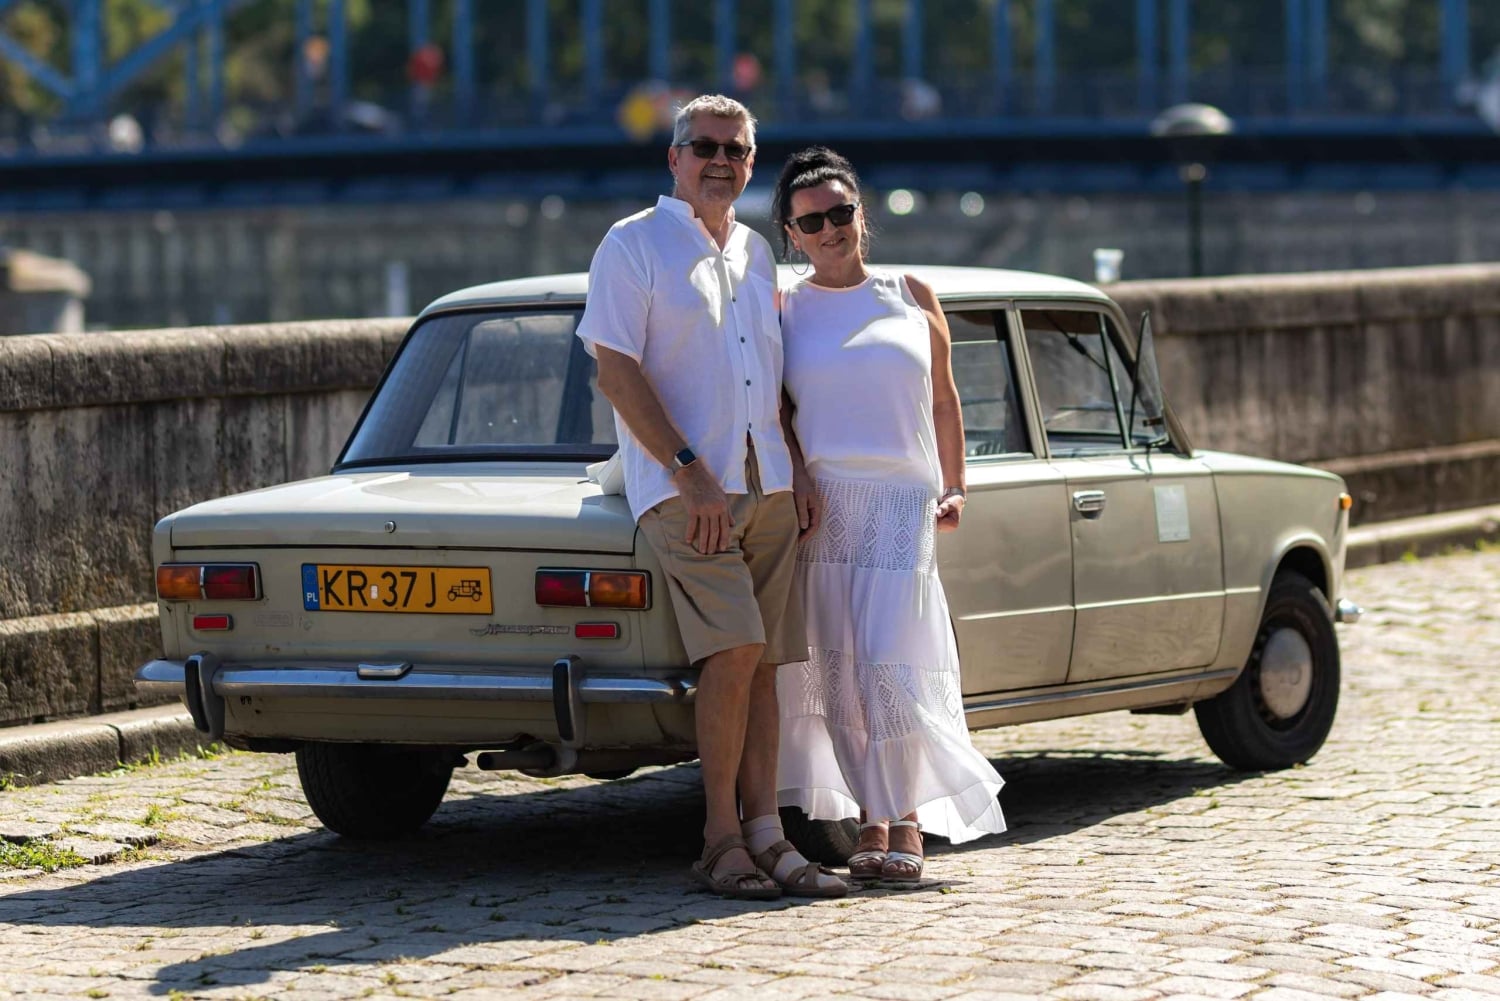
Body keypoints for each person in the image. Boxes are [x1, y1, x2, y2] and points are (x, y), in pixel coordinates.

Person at [575, 97, 845, 900]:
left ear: (752, 162)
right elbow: (614, 370)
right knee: (731, 652)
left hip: (766, 483)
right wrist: (690, 470)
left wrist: (794, 466)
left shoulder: (759, 252)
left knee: (766, 661)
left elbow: (769, 380)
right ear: (674, 158)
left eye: (737, 148)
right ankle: (719, 839)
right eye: (704, 146)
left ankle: (769, 834)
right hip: (687, 489)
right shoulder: (632, 245)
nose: (720, 159)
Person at [772, 147, 1006, 882]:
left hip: (903, 504)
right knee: (838, 671)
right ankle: (871, 821)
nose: (832, 228)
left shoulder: (911, 293)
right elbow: (775, 408)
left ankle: (906, 817)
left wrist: (956, 482)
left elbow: (943, 396)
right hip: (827, 506)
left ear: (861, 215)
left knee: (890, 666)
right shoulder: (784, 307)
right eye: (814, 220)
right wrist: (801, 474)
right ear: (793, 233)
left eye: (842, 212)